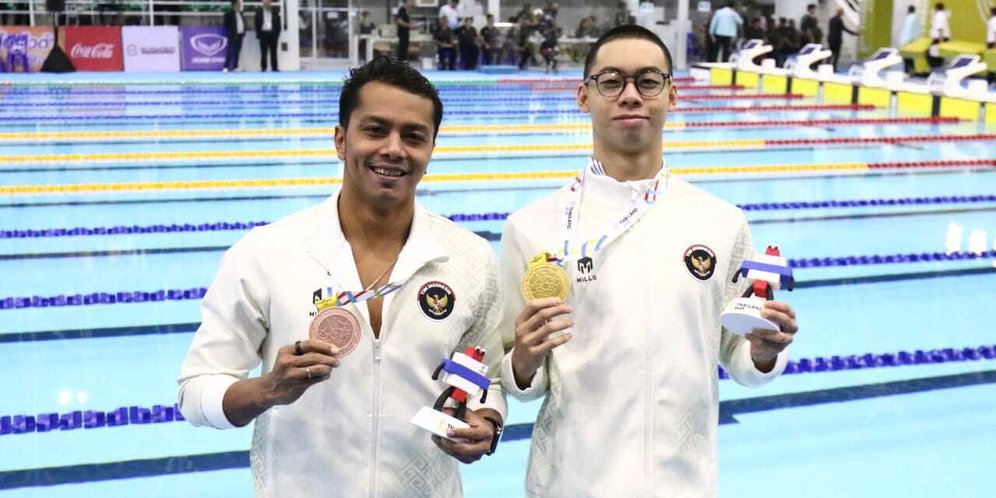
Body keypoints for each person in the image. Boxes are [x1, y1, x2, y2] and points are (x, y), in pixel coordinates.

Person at [177, 56, 507, 497]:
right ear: (340, 140)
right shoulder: (268, 252)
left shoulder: (470, 258)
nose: (394, 148)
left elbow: (487, 379)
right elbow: (195, 391)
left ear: (430, 151)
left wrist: (486, 423)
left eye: (413, 136)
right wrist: (267, 389)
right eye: (375, 130)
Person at [498, 25, 798, 497]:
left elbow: (740, 357)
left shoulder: (722, 223)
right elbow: (516, 378)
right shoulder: (532, 227)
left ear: (672, 95)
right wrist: (523, 359)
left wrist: (763, 351)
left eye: (648, 81)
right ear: (584, 96)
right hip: (572, 483)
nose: (631, 95)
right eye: (611, 81)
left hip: (685, 484)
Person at [255, 0, 282, 71]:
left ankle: (274, 68)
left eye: (268, 2)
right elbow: (256, 24)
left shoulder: (275, 11)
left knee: (274, 52)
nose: (266, 4)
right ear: (263, 3)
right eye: (265, 2)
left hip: (273, 34)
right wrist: (259, 34)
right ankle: (263, 68)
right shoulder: (259, 12)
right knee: (263, 52)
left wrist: (277, 34)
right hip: (263, 34)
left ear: (270, 3)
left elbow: (278, 23)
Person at [223, 0, 246, 72]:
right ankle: (226, 67)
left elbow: (243, 23)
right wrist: (232, 30)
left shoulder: (241, 13)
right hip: (233, 35)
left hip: (240, 35)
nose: (240, 5)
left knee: (237, 51)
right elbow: (226, 24)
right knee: (230, 51)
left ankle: (235, 66)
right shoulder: (228, 13)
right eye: (238, 4)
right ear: (234, 4)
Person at [927, 2, 950, 69]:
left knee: (932, 54)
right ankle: (938, 67)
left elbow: (940, 28)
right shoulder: (943, 14)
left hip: (939, 38)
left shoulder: (939, 15)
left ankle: (935, 68)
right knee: (938, 54)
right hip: (942, 37)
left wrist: (941, 40)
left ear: (936, 8)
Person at [899, 5, 921, 73]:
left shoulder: (909, 18)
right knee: (909, 57)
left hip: (907, 40)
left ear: (908, 10)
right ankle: (910, 70)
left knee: (907, 57)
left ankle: (908, 70)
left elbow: (907, 30)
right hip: (912, 40)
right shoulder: (915, 18)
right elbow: (917, 30)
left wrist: (903, 41)